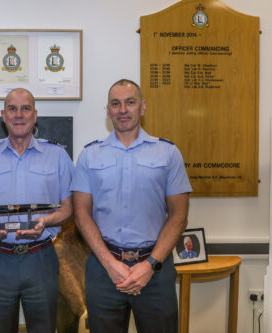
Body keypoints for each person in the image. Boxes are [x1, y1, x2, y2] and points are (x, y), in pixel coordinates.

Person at [71, 79, 192, 333]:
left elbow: (179, 216)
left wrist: (149, 265)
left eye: (130, 102)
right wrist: (109, 263)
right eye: (115, 104)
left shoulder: (168, 153)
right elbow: (81, 214)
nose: (122, 109)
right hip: (104, 270)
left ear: (143, 107)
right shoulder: (90, 155)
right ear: (107, 110)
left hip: (155, 270)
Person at [0, 88, 74, 333]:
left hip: (41, 259)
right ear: (3, 115)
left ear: (35, 114)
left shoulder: (57, 155)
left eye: (25, 108)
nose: (19, 114)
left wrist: (47, 220)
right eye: (12, 108)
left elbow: (70, 208)